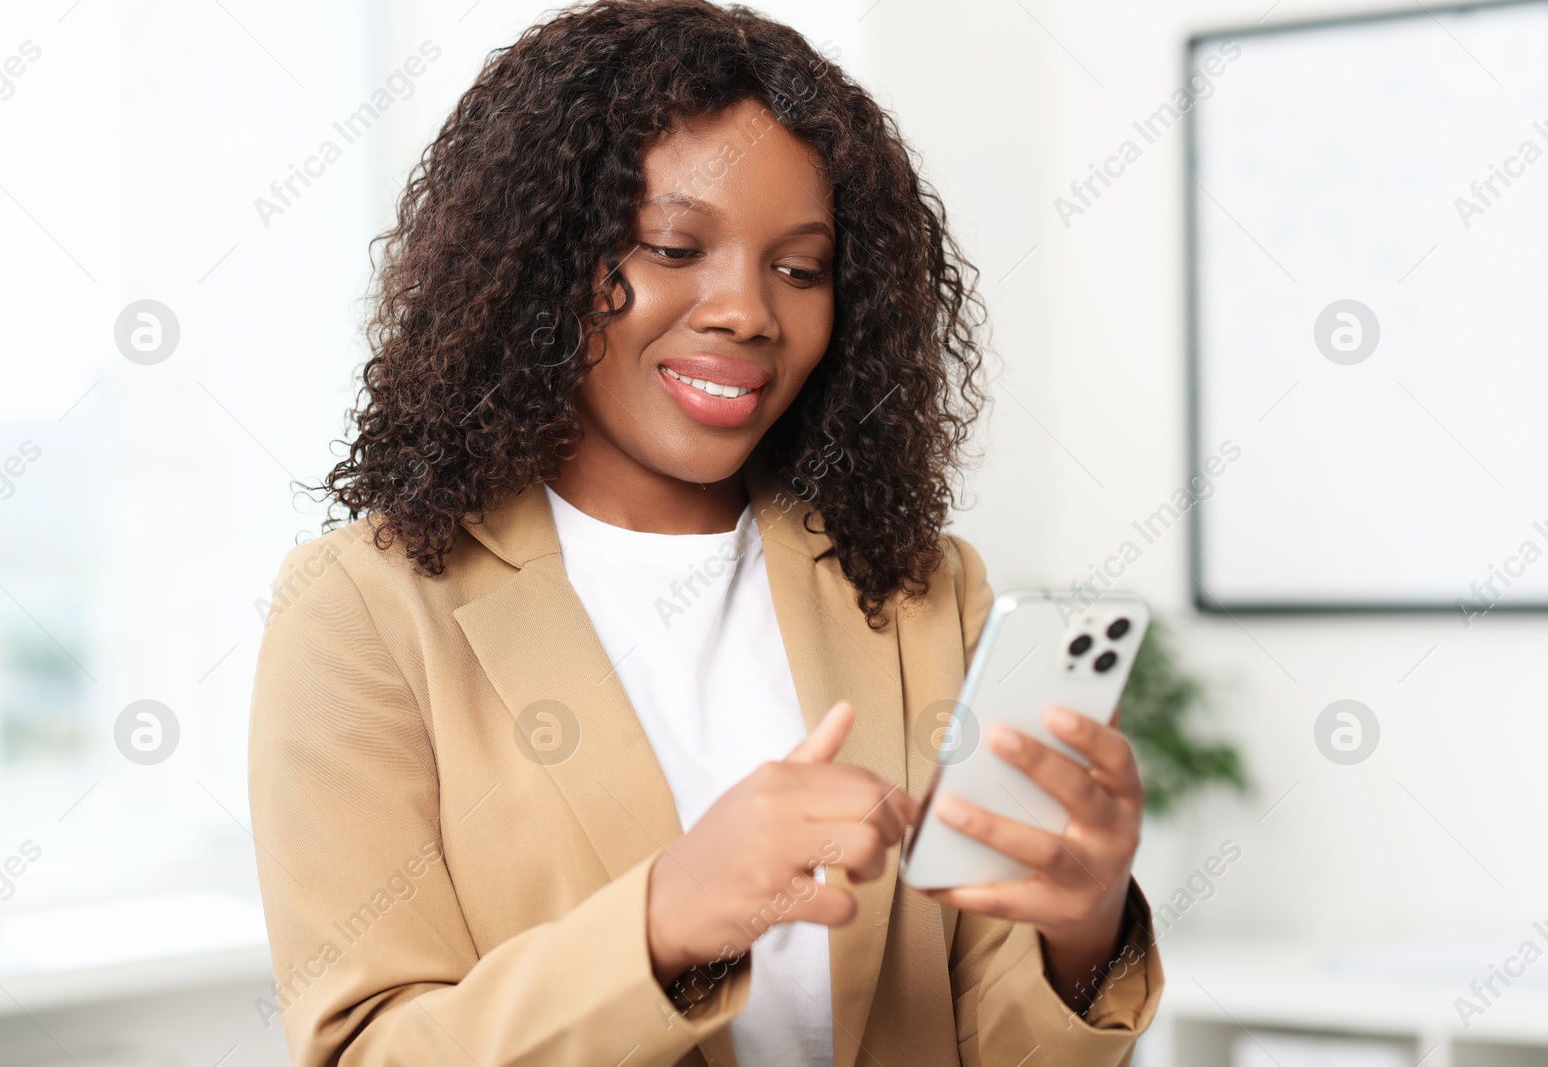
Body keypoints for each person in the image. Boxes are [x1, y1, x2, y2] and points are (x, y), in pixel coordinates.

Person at [248, 1, 1163, 1064]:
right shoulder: (364, 609)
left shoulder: (920, 590)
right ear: (540, 262)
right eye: (675, 245)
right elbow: (367, 1049)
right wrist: (666, 915)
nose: (748, 311)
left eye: (801, 268)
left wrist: (1080, 923)